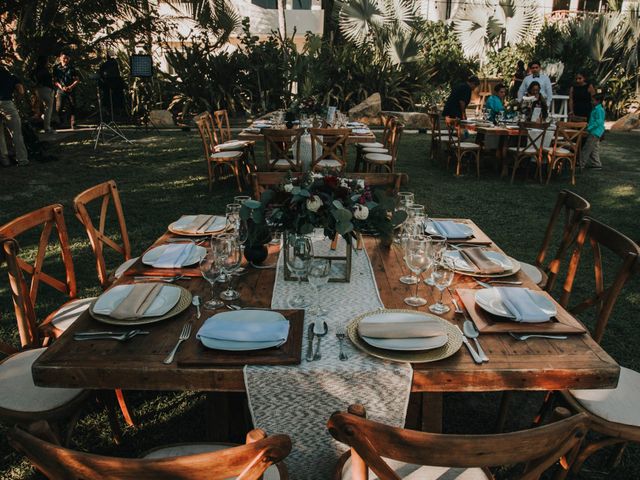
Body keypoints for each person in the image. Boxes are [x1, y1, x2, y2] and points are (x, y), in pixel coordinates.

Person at [0, 64, 29, 166]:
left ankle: (4, 160)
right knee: (16, 133)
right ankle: (22, 159)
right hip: (6, 102)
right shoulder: (11, 75)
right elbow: (20, 90)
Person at [53, 51, 80, 129]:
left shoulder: (72, 68)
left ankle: (73, 123)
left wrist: (71, 87)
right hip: (61, 89)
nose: (65, 60)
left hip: (71, 89)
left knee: (73, 105)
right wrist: (61, 87)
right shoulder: (56, 68)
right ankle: (60, 122)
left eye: (67, 58)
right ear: (60, 58)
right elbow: (55, 80)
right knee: (59, 107)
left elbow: (77, 79)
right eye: (64, 58)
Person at [581, 93, 605, 170]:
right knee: (594, 148)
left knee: (587, 148)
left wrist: (589, 127)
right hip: (595, 131)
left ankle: (581, 163)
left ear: (598, 101)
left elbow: (599, 122)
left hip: (595, 132)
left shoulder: (599, 110)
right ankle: (596, 164)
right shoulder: (597, 109)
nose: (591, 102)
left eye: (593, 100)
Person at [34, 55, 56, 133]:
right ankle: (47, 127)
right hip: (46, 89)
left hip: (39, 90)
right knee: (48, 109)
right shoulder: (44, 70)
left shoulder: (36, 70)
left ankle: (44, 123)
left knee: (43, 108)